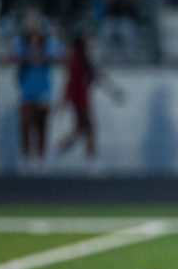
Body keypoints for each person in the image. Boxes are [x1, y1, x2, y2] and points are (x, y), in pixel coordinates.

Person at [57, 32, 123, 168]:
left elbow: (98, 76)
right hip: (79, 96)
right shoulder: (75, 58)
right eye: (88, 42)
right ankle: (91, 158)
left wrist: (113, 91)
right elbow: (71, 80)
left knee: (81, 129)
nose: (90, 45)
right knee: (89, 127)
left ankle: (61, 148)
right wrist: (65, 99)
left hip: (82, 96)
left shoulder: (85, 58)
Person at [10, 20, 63, 172]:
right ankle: (26, 155)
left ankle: (41, 155)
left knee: (42, 125)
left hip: (43, 89)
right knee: (26, 124)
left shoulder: (48, 45)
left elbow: (58, 57)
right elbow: (11, 57)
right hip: (26, 89)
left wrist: (41, 55)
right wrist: (28, 56)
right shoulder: (21, 44)